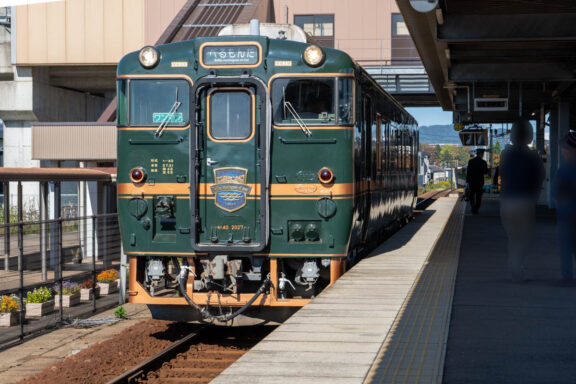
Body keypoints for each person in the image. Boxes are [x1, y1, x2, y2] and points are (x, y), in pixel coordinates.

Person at [499, 118, 545, 282]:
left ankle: (516, 265)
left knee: (513, 236)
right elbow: (539, 178)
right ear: (529, 136)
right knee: (525, 237)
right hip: (525, 201)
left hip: (506, 201)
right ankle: (516, 265)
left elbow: (503, 175)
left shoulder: (505, 154)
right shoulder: (533, 156)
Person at [553, 132, 576, 284]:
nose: (562, 151)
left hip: (567, 211)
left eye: (564, 149)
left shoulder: (565, 169)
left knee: (566, 245)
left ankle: (567, 277)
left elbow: (557, 192)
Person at [466, 148, 488, 214]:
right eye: (483, 154)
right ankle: (476, 208)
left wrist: (467, 181)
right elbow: (485, 172)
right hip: (479, 182)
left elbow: (468, 172)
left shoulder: (470, 161)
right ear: (481, 154)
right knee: (478, 196)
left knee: (472, 195)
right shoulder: (483, 162)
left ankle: (473, 207)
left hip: (471, 181)